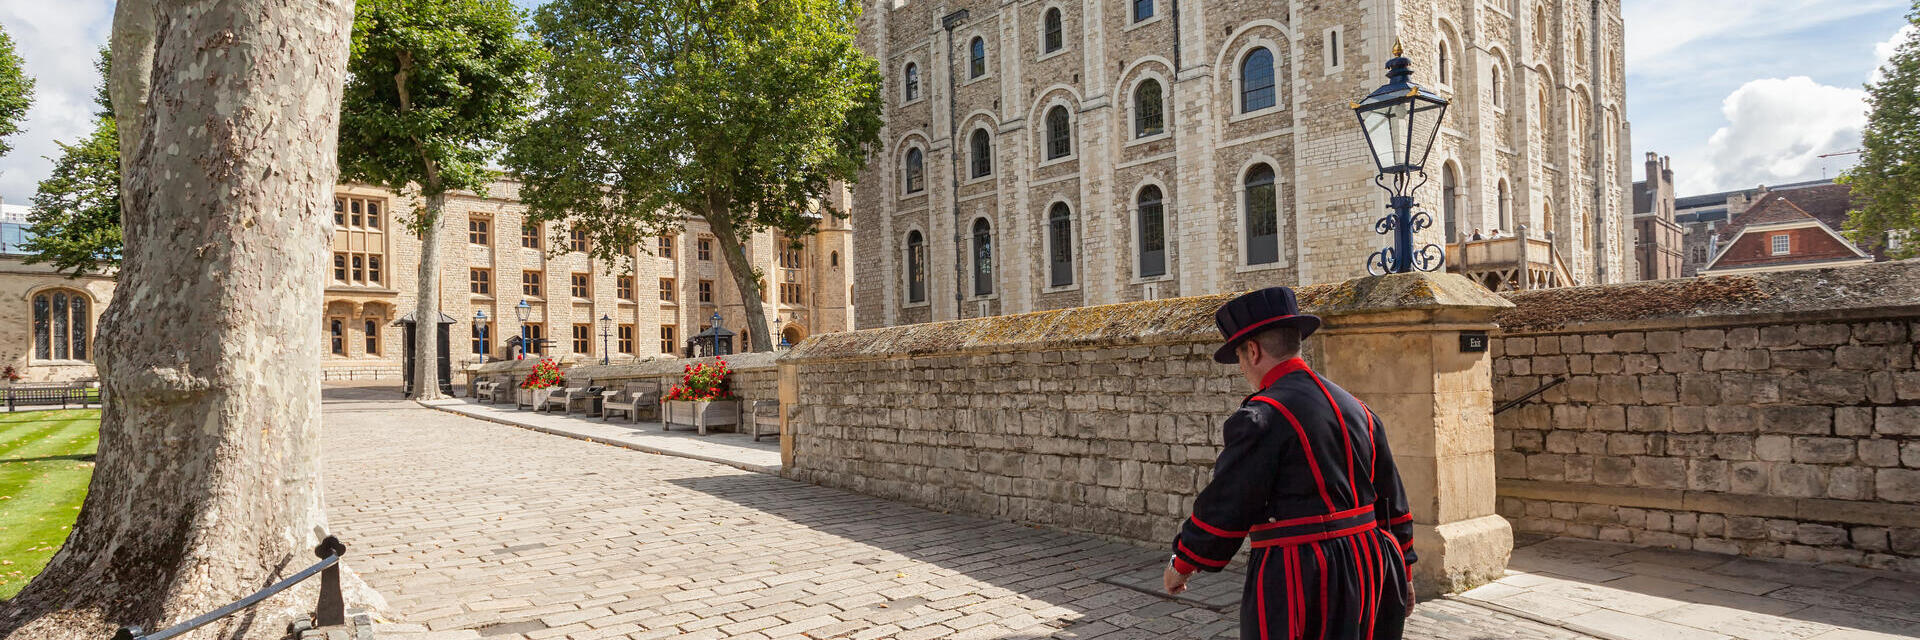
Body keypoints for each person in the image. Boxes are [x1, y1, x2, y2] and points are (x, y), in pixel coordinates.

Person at [1163, 287, 1416, 640]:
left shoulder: (1261, 416)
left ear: (1252, 350)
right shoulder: (1359, 409)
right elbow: (1393, 501)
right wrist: (1403, 569)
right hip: (1371, 565)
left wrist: (1184, 561)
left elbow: (1229, 503)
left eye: (1238, 356)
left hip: (1303, 575)